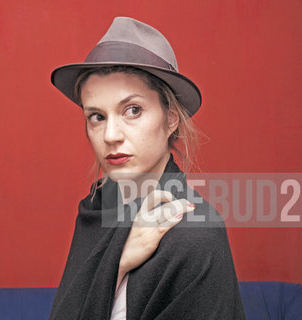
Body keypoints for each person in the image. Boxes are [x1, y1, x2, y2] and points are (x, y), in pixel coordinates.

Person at [49, 17, 246, 320]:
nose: (110, 135)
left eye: (133, 110)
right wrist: (120, 261)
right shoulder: (97, 207)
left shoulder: (196, 236)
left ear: (170, 119)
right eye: (97, 116)